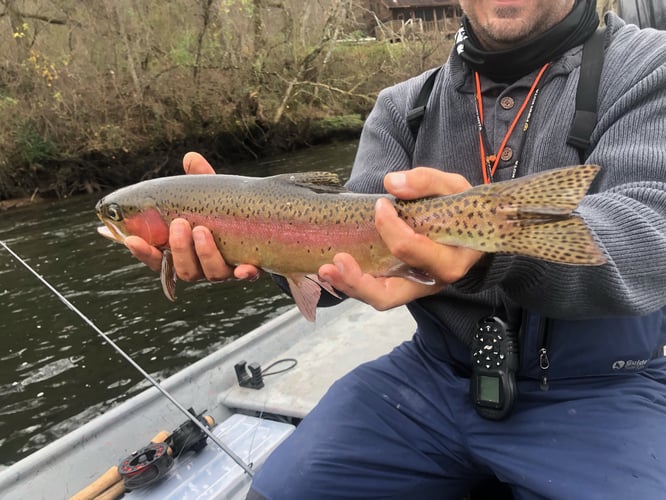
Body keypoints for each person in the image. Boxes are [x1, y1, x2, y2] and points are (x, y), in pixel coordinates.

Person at [126, 0, 666, 498]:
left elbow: (652, 225)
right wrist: (252, 233)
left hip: (603, 386)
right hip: (434, 376)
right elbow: (341, 245)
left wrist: (489, 248)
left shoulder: (647, 67)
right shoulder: (402, 106)